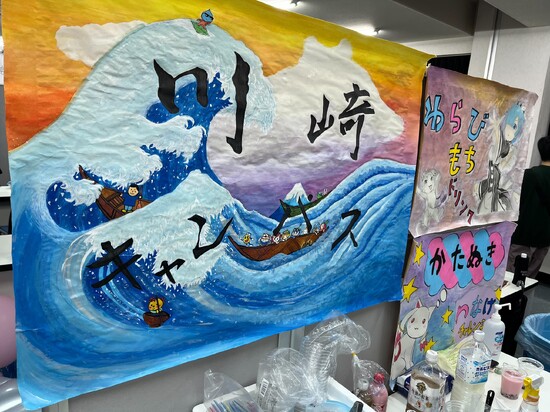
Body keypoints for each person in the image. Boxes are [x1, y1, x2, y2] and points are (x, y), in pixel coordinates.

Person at [506, 135, 550, 278]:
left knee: (511, 278)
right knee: (529, 279)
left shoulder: (527, 175)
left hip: (522, 235)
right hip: (544, 238)